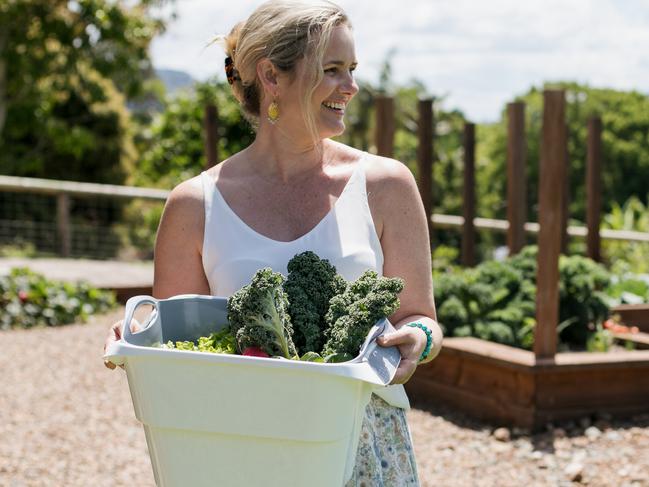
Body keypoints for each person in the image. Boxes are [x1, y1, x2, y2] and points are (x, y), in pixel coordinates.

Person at [104, 1, 443, 485]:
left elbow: (420, 318)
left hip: (361, 445)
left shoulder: (386, 186)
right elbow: (182, 345)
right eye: (331, 70)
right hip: (237, 446)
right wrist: (142, 343)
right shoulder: (193, 206)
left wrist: (418, 340)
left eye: (352, 69)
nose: (351, 87)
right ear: (271, 77)